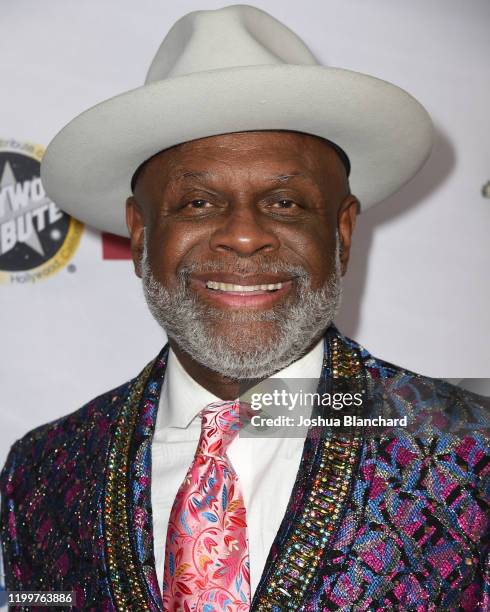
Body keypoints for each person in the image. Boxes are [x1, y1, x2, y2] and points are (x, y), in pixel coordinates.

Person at [1, 5, 489, 611]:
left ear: (342, 231)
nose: (243, 235)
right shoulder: (44, 474)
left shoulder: (471, 450)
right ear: (140, 233)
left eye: (285, 203)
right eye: (198, 203)